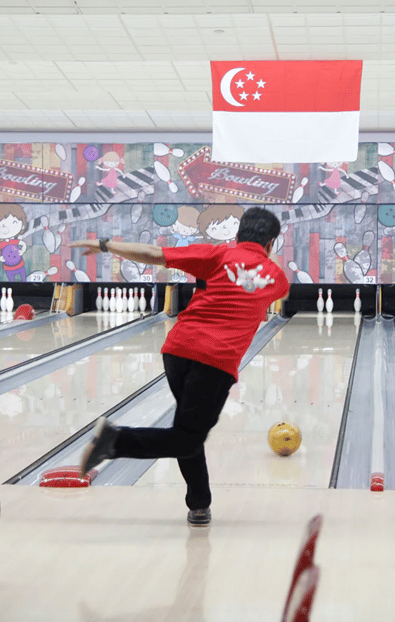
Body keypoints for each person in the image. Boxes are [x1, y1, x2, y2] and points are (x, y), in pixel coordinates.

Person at [68, 207, 289, 526]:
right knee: (188, 438)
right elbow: (265, 287)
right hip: (215, 361)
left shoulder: (215, 255)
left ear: (237, 234)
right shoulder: (277, 279)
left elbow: (153, 254)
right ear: (270, 243)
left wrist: (105, 244)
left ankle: (199, 504)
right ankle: (115, 442)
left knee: (187, 429)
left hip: (177, 349)